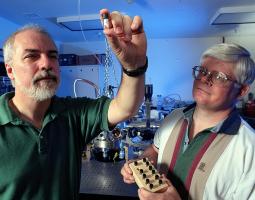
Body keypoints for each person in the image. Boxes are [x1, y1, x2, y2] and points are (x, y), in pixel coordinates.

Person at [0, 9, 147, 200]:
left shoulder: (72, 114)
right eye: (32, 56)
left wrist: (134, 66)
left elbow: (125, 107)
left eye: (53, 55)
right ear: (10, 70)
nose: (47, 63)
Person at [121, 43, 255, 200]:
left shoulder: (249, 150)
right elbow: (155, 150)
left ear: (241, 91)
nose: (205, 79)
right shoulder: (175, 117)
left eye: (219, 77)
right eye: (203, 71)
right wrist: (142, 164)